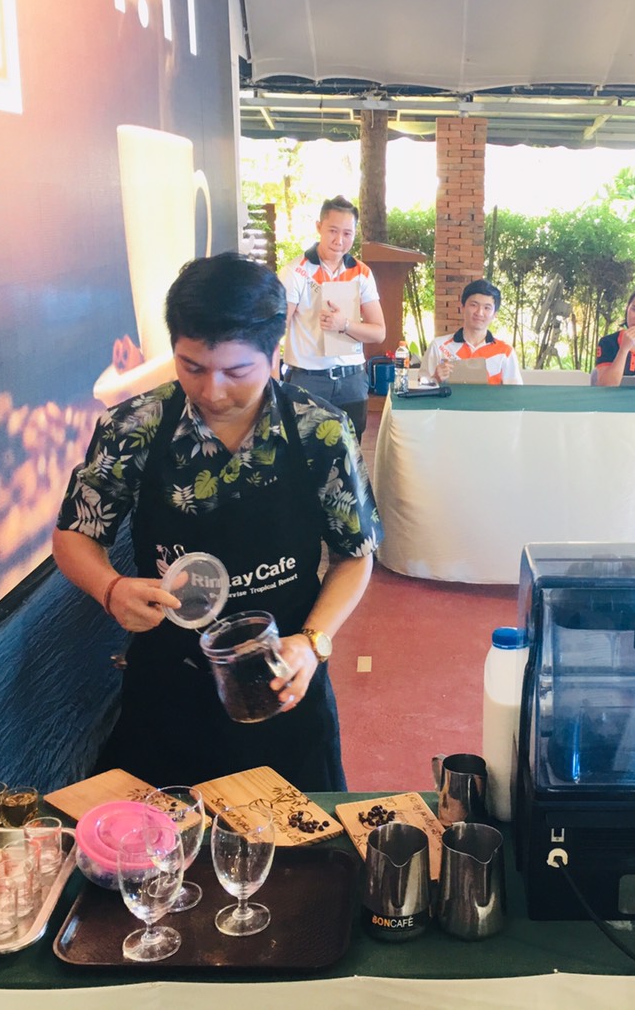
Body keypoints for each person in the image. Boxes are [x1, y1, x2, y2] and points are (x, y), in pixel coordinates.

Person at [53, 253, 383, 792]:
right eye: (192, 368)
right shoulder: (134, 426)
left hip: (284, 682)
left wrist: (313, 642)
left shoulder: (319, 431)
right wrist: (109, 589)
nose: (212, 391)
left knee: (302, 838)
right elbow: (74, 535)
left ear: (274, 352)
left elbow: (355, 555)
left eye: (237, 372)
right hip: (168, 691)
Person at [282, 196, 387, 438]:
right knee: (304, 451)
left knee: (351, 450)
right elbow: (277, 328)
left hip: (351, 379)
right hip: (308, 379)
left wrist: (345, 325)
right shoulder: (296, 272)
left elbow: (379, 332)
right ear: (319, 227)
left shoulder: (361, 273)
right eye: (333, 231)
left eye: (347, 233)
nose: (339, 240)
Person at [423, 278, 524, 385]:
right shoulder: (438, 346)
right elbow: (421, 388)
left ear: (495, 314)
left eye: (487, 308)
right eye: (473, 305)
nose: (479, 313)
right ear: (462, 307)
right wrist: (434, 379)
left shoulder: (505, 352)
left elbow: (514, 392)